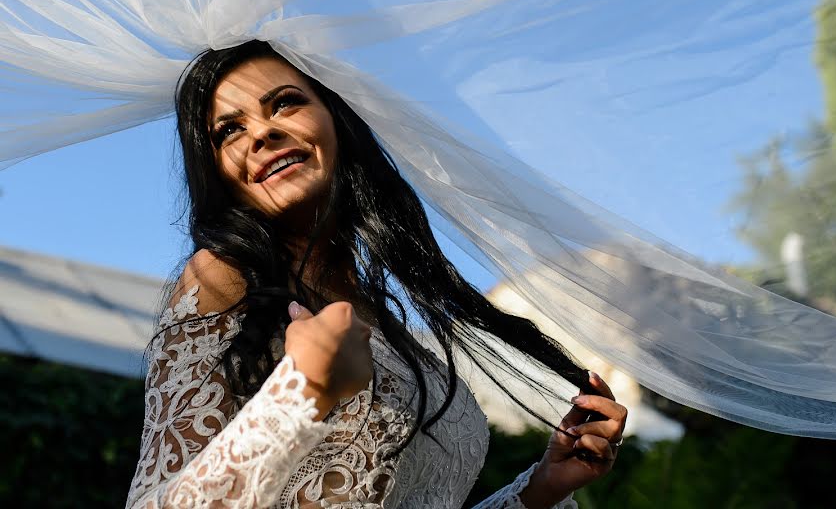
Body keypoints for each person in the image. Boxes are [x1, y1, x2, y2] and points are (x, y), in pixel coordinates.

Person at [126, 40, 628, 508]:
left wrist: (539, 490)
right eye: (229, 130)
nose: (261, 132)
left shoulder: (377, 313)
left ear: (337, 122)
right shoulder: (223, 280)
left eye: (284, 103)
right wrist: (302, 392)